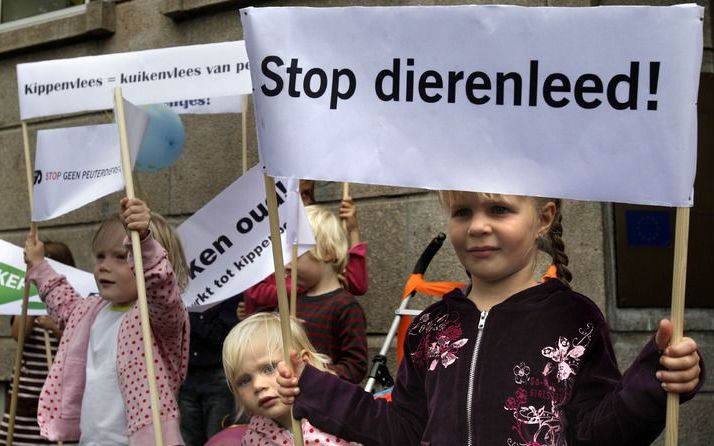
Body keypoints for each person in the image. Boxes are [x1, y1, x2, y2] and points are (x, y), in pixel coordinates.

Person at [276, 191, 704, 445]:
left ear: (544, 218)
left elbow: (600, 433)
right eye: (462, 212)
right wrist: (312, 387)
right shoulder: (430, 326)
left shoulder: (574, 318)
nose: (478, 225)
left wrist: (657, 379)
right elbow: (401, 429)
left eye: (498, 209)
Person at [24, 197, 190, 445]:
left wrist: (144, 241)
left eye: (121, 257)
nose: (104, 266)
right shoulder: (91, 312)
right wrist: (38, 265)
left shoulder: (157, 317)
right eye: (100, 256)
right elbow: (63, 301)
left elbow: (159, 285)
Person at [221, 312, 361, 445]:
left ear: (304, 363)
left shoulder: (338, 413)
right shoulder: (253, 439)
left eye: (269, 368)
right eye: (244, 380)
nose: (257, 385)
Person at [242, 180, 368, 317]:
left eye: (306, 194)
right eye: (292, 194)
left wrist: (353, 231)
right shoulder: (264, 241)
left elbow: (357, 284)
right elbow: (254, 293)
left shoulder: (317, 229)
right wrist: (309, 285)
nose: (300, 202)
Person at [0, 241, 75, 445]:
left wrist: (53, 326)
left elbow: (76, 341)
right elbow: (18, 335)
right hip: (24, 408)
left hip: (57, 406)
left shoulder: (70, 306)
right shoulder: (26, 302)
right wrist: (33, 302)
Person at [290, 205, 368, 383]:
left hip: (326, 402)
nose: (287, 265)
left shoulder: (345, 306)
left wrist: (315, 371)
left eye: (296, 256)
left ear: (326, 253)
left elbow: (356, 366)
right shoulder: (291, 301)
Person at [180, 294, 242, 446]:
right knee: (188, 439)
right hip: (187, 377)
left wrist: (187, 317)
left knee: (219, 438)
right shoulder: (183, 293)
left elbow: (219, 336)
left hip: (218, 376)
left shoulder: (229, 291)